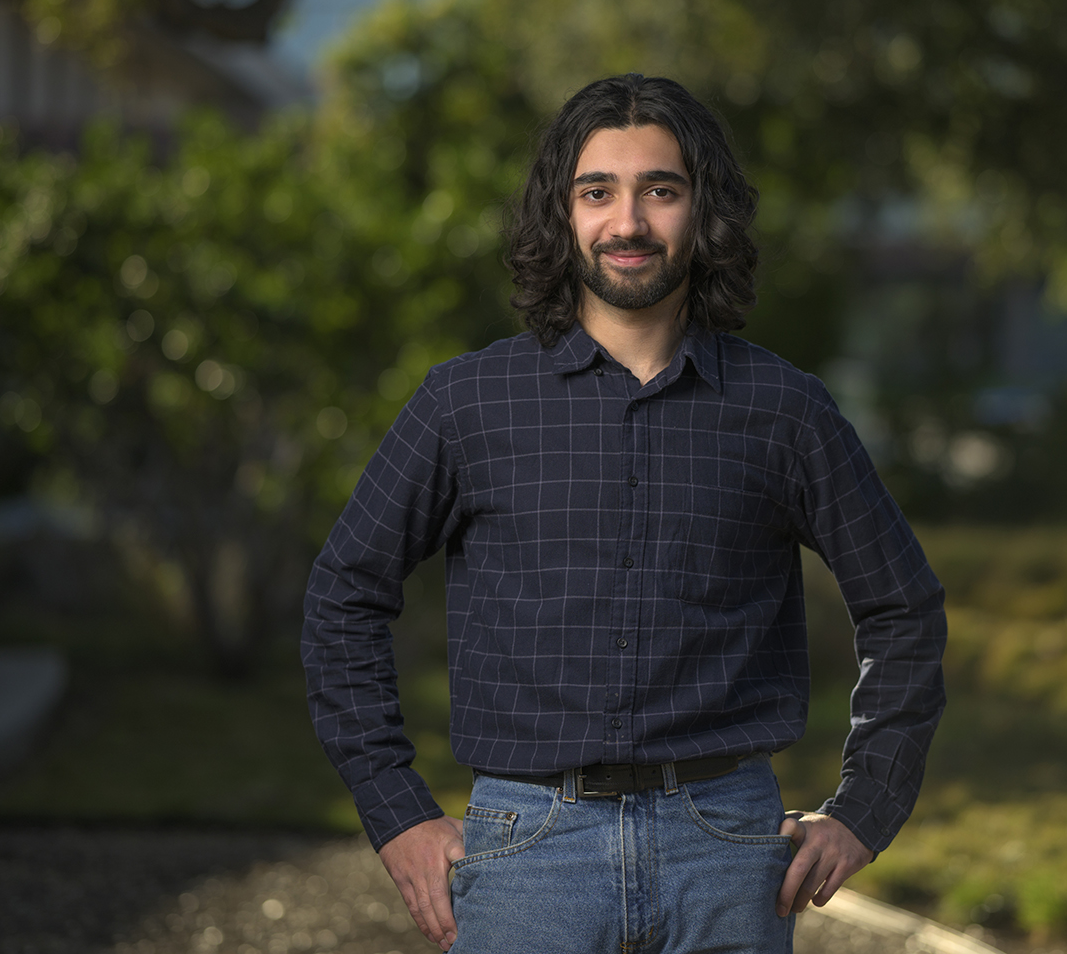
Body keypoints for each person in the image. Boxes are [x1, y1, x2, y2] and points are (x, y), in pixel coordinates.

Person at [303, 73, 946, 954]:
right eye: (597, 191)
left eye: (661, 190)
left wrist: (866, 808)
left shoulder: (785, 410)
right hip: (528, 854)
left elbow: (903, 607)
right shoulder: (466, 403)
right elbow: (344, 595)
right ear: (560, 214)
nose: (629, 222)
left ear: (702, 210)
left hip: (728, 851)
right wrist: (396, 812)